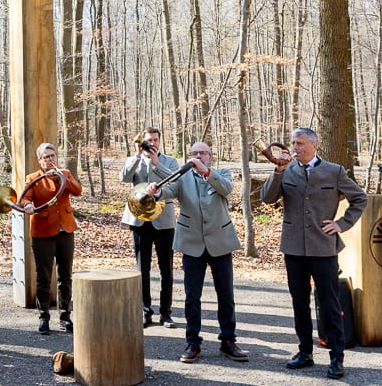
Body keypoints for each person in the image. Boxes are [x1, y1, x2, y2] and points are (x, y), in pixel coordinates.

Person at [260, 127, 368, 380]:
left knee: (330, 304)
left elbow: (360, 199)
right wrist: (278, 171)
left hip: (323, 248)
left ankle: (336, 357)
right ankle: (304, 352)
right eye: (293, 143)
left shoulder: (334, 171)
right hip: (294, 248)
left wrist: (340, 224)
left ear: (314, 146)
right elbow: (267, 198)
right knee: (299, 303)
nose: (295, 147)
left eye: (300, 143)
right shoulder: (286, 170)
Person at [146, 141, 248, 365]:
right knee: (192, 296)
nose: (198, 156)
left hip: (220, 243)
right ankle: (193, 342)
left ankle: (228, 341)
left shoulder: (222, 173)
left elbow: (227, 190)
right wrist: (156, 192)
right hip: (192, 244)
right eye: (194, 153)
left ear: (211, 156)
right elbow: (168, 191)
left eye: (203, 153)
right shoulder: (183, 177)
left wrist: (206, 172)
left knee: (226, 295)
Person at [19, 142, 83, 335]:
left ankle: (65, 316)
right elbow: (24, 198)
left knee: (66, 275)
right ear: (40, 160)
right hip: (43, 232)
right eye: (45, 157)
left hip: (65, 230)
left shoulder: (65, 173)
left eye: (52, 155)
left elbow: (77, 191)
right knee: (44, 277)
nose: (49, 159)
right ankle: (44, 317)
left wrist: (62, 177)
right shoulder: (33, 178)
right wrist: (28, 205)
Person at [120, 127, 179, 328]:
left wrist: (156, 163)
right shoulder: (134, 160)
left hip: (163, 221)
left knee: (166, 270)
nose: (151, 143)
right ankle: (146, 311)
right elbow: (124, 178)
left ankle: (166, 313)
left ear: (160, 141)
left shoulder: (169, 161)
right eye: (148, 140)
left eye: (155, 140)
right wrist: (137, 155)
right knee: (141, 269)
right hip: (139, 220)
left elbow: (176, 181)